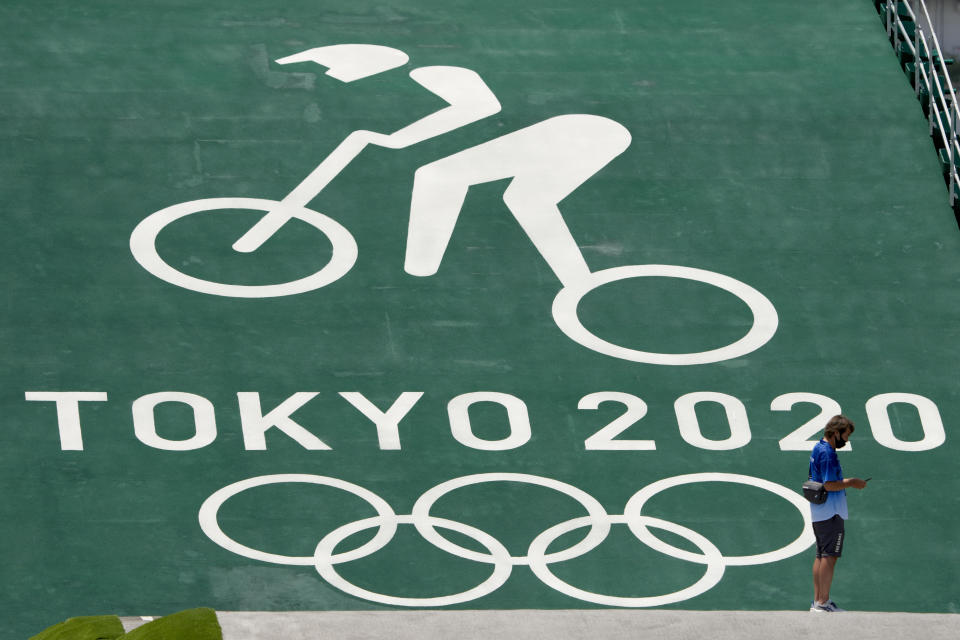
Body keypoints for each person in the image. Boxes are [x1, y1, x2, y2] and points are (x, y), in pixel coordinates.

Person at [809, 415, 868, 612]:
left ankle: (818, 601)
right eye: (846, 435)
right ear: (835, 433)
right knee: (829, 556)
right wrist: (852, 482)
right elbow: (829, 484)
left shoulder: (818, 447)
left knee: (821, 555)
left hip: (819, 512)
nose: (847, 440)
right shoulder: (828, 454)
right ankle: (822, 603)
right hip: (830, 512)